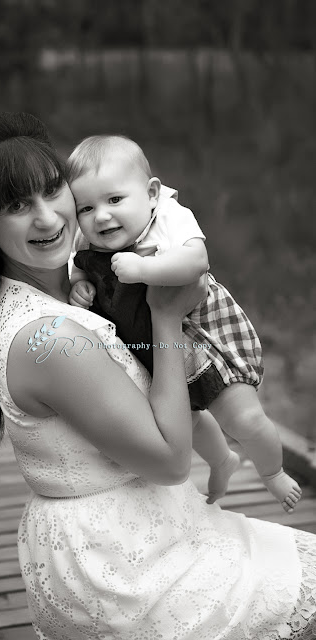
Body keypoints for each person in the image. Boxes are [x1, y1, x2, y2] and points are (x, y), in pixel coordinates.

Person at [0, 112, 316, 640]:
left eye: (52, 190)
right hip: (123, 563)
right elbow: (171, 461)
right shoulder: (51, 340)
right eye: (16, 206)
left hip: (154, 527)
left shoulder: (68, 282)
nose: (47, 218)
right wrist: (166, 316)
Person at [67, 134, 302, 513]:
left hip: (201, 335)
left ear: (151, 193)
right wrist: (80, 286)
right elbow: (78, 268)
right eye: (86, 208)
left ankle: (272, 471)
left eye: (115, 200)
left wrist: (145, 269)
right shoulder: (84, 238)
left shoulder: (168, 216)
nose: (101, 216)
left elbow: (196, 262)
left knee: (244, 418)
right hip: (151, 348)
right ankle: (222, 460)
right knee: (188, 421)